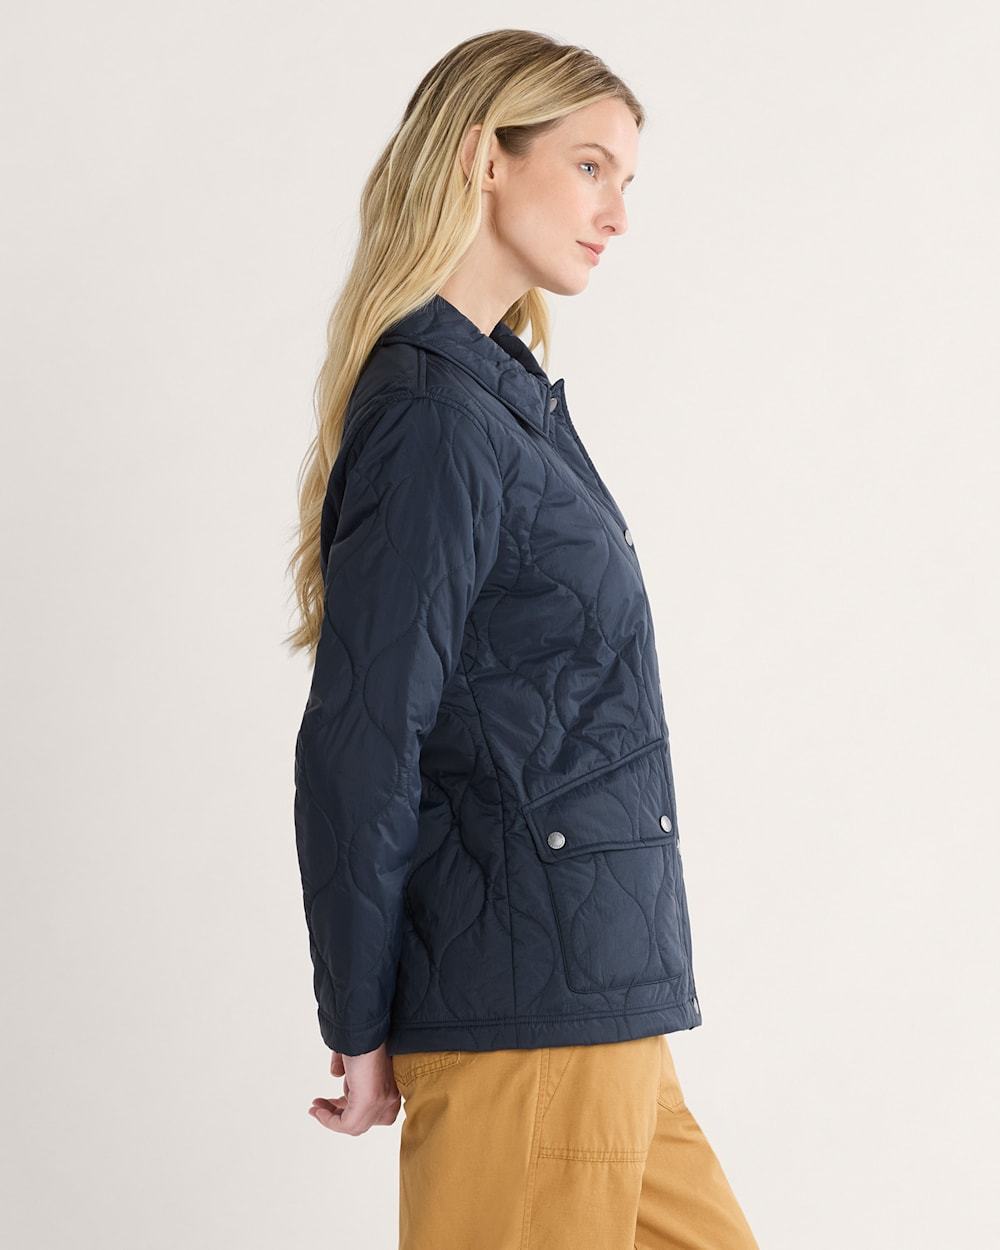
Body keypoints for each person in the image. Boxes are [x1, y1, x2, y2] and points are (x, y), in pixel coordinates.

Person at [286, 27, 760, 1250]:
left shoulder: (502, 400)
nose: (616, 213)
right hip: (525, 1001)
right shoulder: (437, 415)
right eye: (590, 166)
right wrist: (360, 1013)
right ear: (483, 157)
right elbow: (365, 734)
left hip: (594, 996)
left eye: (626, 180)